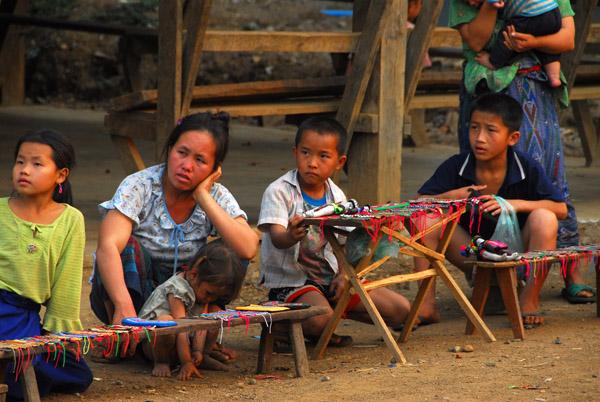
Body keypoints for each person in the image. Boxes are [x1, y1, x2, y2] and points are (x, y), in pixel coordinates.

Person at [450, 0, 596, 303]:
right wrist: (491, 6)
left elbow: (566, 39)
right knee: (485, 181)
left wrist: (534, 42)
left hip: (531, 88)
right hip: (484, 92)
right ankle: (492, 274)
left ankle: (570, 271)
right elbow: (476, 40)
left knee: (549, 176)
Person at [90, 111, 258, 362]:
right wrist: (123, 305)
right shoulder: (140, 186)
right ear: (170, 149)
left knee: (230, 253)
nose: (187, 165)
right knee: (124, 246)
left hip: (188, 294)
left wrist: (202, 196)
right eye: (182, 152)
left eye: (200, 160)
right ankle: (124, 335)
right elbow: (107, 246)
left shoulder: (216, 195)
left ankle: (200, 335)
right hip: (134, 291)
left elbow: (247, 248)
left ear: (215, 168)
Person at [415, 93, 567, 328]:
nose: (480, 138)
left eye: (491, 130)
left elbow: (561, 208)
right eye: (474, 128)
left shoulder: (526, 167)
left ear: (512, 138)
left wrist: (517, 203)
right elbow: (416, 204)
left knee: (545, 218)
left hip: (518, 256)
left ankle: (528, 302)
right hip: (472, 254)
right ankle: (426, 305)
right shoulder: (457, 166)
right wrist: (451, 197)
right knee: (425, 218)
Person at [258, 116, 410, 348]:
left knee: (400, 310)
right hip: (293, 283)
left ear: (339, 162)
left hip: (329, 279)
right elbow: (277, 237)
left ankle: (322, 321)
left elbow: (345, 244)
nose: (312, 163)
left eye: (323, 156)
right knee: (322, 320)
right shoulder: (279, 191)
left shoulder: (337, 196)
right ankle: (278, 325)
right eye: (306, 153)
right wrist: (290, 236)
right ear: (295, 152)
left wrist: (343, 275)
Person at [0, 130, 93, 399]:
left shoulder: (70, 220)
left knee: (79, 373)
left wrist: (62, 335)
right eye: (20, 162)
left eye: (36, 163)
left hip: (23, 318)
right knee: (21, 375)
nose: (24, 170)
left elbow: (67, 281)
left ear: (61, 175)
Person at [138, 240, 245, 380]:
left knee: (214, 314)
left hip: (183, 344)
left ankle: (204, 357)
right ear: (194, 275)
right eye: (209, 293)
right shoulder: (178, 288)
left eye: (216, 296)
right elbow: (181, 329)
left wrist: (198, 351)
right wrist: (186, 362)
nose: (210, 298)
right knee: (166, 322)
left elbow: (202, 324)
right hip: (153, 344)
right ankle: (162, 362)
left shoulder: (201, 292)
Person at [473, 0, 563, 87]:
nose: (471, 3)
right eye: (466, 2)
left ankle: (494, 62)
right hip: (553, 12)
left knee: (508, 33)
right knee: (545, 44)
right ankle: (554, 76)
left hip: (535, 13)